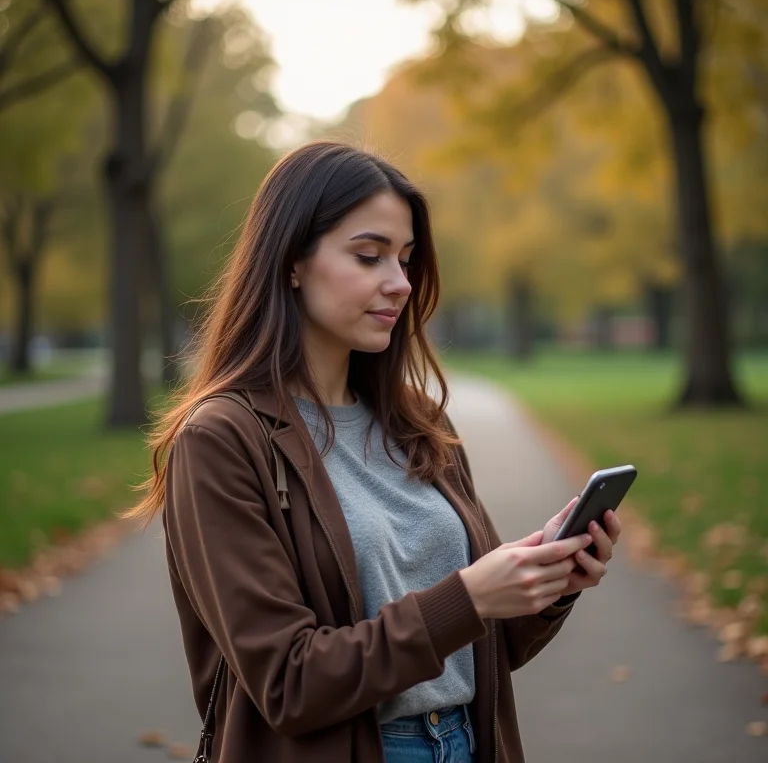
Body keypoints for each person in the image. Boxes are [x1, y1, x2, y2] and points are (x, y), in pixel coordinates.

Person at [128, 141, 621, 763]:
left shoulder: (417, 423)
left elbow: (485, 647)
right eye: (369, 256)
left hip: (467, 744)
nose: (400, 283)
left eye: (407, 259)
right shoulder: (221, 440)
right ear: (292, 263)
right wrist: (466, 597)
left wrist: (547, 584)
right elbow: (289, 684)